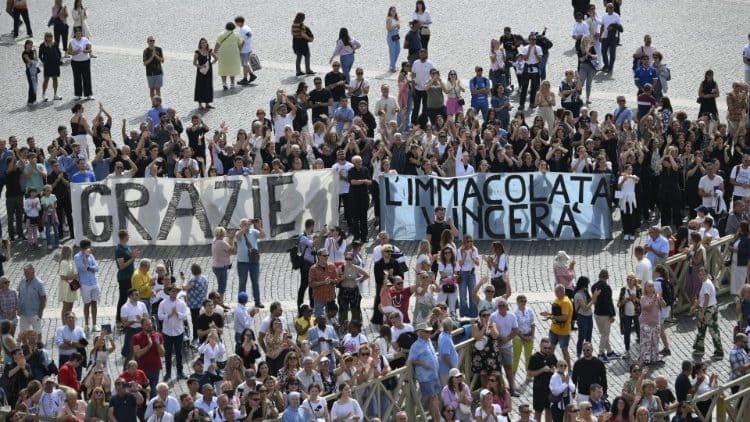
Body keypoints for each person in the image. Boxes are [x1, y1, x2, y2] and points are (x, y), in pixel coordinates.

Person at [408, 323, 441, 421]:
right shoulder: (416, 345)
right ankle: (436, 419)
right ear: (420, 333)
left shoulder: (428, 340)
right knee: (433, 398)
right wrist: (422, 363)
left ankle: (436, 419)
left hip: (434, 374)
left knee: (434, 398)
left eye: (430, 331)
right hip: (426, 377)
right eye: (427, 332)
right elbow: (411, 360)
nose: (429, 333)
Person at [690, 267, 724, 359]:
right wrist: (694, 306)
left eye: (703, 274)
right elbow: (701, 298)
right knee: (707, 329)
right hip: (711, 308)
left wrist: (702, 313)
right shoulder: (706, 283)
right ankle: (702, 349)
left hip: (707, 310)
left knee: (709, 330)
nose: (701, 276)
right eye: (699, 274)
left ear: (706, 274)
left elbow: (706, 300)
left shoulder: (706, 285)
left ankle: (716, 352)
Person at [235, 217, 265, 307]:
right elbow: (237, 236)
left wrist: (258, 226)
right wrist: (244, 227)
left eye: (247, 223)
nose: (247, 225)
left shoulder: (253, 232)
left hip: (254, 261)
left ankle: (257, 301)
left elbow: (263, 235)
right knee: (242, 282)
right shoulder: (239, 233)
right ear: (240, 226)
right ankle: (241, 302)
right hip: (242, 262)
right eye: (244, 224)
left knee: (255, 282)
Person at [540, 285, 572, 368]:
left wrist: (552, 317)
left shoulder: (565, 302)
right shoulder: (557, 299)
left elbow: (564, 317)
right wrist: (548, 314)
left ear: (562, 292)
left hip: (563, 333)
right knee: (550, 350)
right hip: (554, 330)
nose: (555, 294)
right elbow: (556, 314)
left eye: (557, 292)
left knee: (564, 351)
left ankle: (569, 370)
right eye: (555, 292)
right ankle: (551, 367)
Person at [527, 338, 557, 422]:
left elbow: (558, 367)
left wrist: (554, 370)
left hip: (550, 389)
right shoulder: (534, 357)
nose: (547, 350)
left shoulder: (552, 356)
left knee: (549, 411)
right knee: (538, 412)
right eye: (545, 348)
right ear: (540, 346)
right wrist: (542, 370)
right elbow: (529, 373)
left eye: (549, 348)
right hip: (539, 389)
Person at [591, 269, 618, 361]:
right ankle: (601, 353)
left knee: (604, 334)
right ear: (607, 277)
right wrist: (612, 314)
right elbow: (608, 302)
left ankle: (609, 352)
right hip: (605, 315)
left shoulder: (594, 286)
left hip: (597, 314)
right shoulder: (606, 287)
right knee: (605, 335)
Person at [17, 264, 46, 332]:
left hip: (35, 313)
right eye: (25, 273)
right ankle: (24, 343)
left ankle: (38, 343)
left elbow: (43, 298)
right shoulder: (22, 281)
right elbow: (19, 295)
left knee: (37, 332)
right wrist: (18, 308)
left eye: (27, 273)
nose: (25, 274)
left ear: (33, 272)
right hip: (23, 313)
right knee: (23, 333)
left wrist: (40, 312)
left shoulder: (39, 283)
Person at [67, 26, 93, 101]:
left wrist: (86, 51)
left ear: (81, 33)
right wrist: (74, 52)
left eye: (79, 33)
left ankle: (88, 94)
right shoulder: (72, 41)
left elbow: (90, 49)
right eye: (77, 33)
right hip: (75, 62)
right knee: (77, 78)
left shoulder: (85, 40)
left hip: (85, 61)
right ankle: (78, 94)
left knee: (87, 77)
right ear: (75, 34)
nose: (78, 35)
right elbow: (69, 52)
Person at [215, 22, 242, 90]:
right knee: (232, 68)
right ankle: (232, 83)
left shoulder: (221, 35)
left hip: (223, 54)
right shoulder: (237, 35)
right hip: (233, 54)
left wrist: (215, 50)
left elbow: (217, 44)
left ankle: (224, 83)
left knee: (223, 68)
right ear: (233, 28)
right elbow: (240, 45)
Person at [193, 37, 216, 110]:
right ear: (200, 44)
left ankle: (207, 103)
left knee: (208, 86)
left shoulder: (209, 51)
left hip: (208, 71)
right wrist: (200, 66)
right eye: (202, 43)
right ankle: (200, 104)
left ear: (207, 43)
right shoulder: (197, 52)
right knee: (200, 86)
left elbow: (216, 58)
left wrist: (211, 64)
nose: (203, 44)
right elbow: (194, 63)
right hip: (201, 71)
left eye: (205, 42)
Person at [38, 32, 62, 102]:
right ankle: (43, 94)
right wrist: (44, 62)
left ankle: (55, 94)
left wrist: (58, 59)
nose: (49, 38)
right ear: (45, 37)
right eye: (48, 37)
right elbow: (40, 56)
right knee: (46, 79)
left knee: (55, 79)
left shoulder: (55, 44)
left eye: (50, 37)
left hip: (55, 64)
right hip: (47, 65)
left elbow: (59, 52)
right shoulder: (42, 45)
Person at [599, 2, 622, 73]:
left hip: (613, 37)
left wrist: (613, 27)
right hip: (605, 36)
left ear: (614, 8)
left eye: (612, 8)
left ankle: (611, 66)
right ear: (607, 8)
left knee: (612, 53)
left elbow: (620, 27)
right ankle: (606, 64)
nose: (611, 9)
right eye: (609, 8)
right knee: (603, 51)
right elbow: (602, 26)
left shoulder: (616, 16)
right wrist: (600, 35)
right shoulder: (604, 16)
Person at [235, 16, 258, 85]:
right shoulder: (247, 27)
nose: (236, 24)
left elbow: (243, 41)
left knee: (244, 64)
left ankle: (249, 76)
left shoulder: (242, 30)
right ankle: (248, 77)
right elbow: (250, 35)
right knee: (245, 64)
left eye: (236, 23)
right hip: (249, 48)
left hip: (244, 50)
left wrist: (239, 49)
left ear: (239, 22)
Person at [21, 39, 39, 106]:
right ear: (26, 45)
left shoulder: (32, 52)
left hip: (34, 70)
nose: (30, 46)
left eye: (31, 45)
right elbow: (29, 62)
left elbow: (36, 60)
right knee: (31, 85)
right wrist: (32, 60)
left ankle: (34, 100)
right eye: (29, 45)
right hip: (29, 71)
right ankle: (30, 101)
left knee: (35, 84)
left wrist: (35, 53)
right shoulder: (24, 53)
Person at [385, 7, 401, 72]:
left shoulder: (396, 18)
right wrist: (395, 26)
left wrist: (398, 25)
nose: (394, 12)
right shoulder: (389, 18)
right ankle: (392, 66)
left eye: (394, 11)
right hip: (391, 35)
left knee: (398, 49)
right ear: (390, 11)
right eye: (392, 11)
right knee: (392, 51)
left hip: (396, 35)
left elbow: (399, 27)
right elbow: (388, 29)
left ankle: (392, 64)